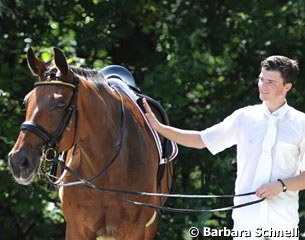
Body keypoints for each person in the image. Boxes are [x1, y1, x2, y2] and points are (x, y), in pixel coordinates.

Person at [143, 55, 305, 240]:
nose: (262, 85)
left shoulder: (301, 124)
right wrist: (160, 128)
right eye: (261, 79)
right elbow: (200, 140)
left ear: (287, 87)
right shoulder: (244, 118)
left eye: (270, 82)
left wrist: (281, 186)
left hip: (283, 225)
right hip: (246, 225)